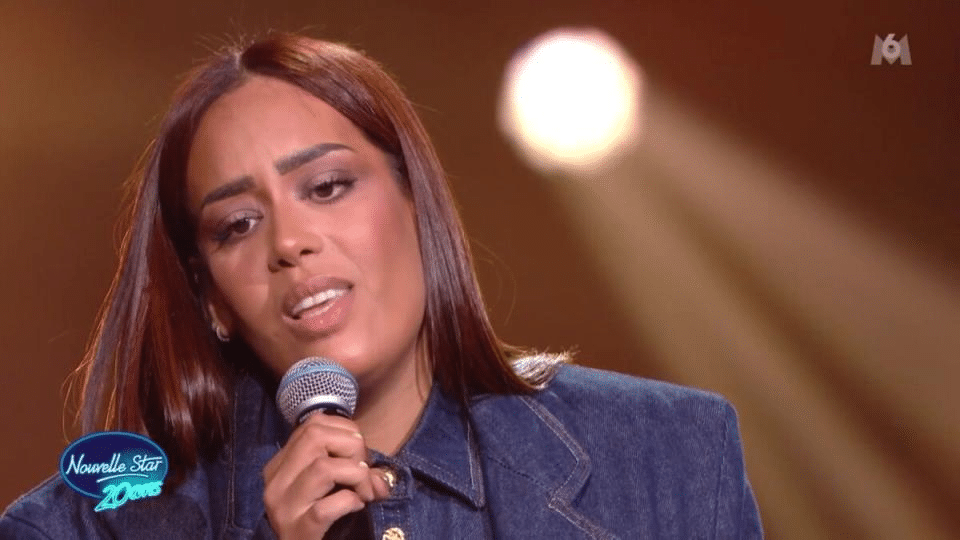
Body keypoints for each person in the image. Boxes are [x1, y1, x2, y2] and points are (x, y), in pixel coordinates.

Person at [0, 33, 763, 539]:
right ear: (211, 300)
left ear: (417, 203)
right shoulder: (88, 526)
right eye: (237, 224)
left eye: (328, 186)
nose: (289, 241)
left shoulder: (671, 454)